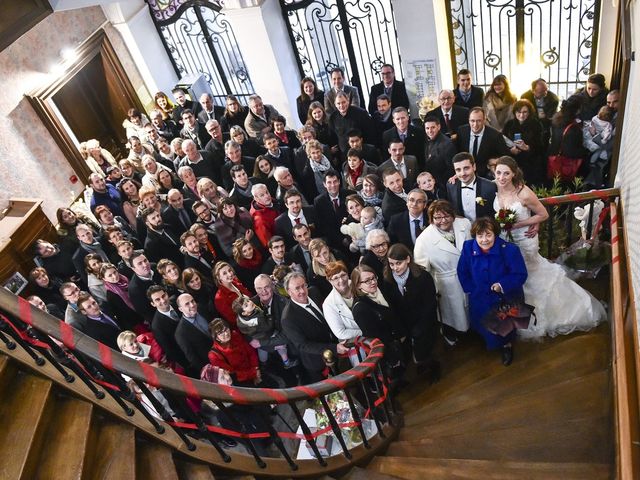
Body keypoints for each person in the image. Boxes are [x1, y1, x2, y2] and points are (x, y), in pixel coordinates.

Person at [493, 156, 606, 338]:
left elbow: (543, 214)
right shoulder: (495, 187)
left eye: (506, 173)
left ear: (514, 173)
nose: (502, 177)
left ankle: (544, 315)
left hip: (524, 239)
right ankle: (517, 313)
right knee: (513, 274)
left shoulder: (524, 193)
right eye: (498, 173)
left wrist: (520, 224)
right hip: (506, 240)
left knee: (530, 275)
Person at [457, 217, 528, 365]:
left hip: (505, 298)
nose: (484, 240)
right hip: (480, 297)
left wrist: (502, 285)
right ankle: (487, 340)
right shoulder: (468, 247)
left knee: (506, 328)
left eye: (488, 235)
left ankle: (507, 347)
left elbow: (520, 274)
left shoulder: (510, 250)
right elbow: (462, 271)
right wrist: (472, 289)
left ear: (495, 234)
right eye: (480, 235)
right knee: (482, 322)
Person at [414, 200, 472, 345]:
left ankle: (473, 330)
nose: (443, 221)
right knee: (452, 314)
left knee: (471, 309)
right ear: (431, 219)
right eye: (437, 218)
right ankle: (451, 333)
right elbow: (422, 270)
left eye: (446, 216)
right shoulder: (424, 240)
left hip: (470, 276)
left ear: (453, 215)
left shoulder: (464, 224)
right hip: (446, 282)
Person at [382, 244, 440, 381]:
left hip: (424, 323)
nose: (395, 268)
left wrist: (421, 327)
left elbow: (430, 305)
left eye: (398, 263)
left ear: (408, 259)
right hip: (405, 326)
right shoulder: (387, 281)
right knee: (412, 354)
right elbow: (392, 307)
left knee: (425, 352)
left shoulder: (423, 277)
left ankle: (434, 368)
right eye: (391, 264)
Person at [280, 272, 349, 382]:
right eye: (297, 288)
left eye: (303, 286)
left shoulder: (314, 292)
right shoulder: (288, 318)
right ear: (289, 292)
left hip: (339, 348)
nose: (302, 291)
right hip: (318, 362)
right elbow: (303, 345)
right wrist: (333, 348)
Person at [351, 264, 405, 379]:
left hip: (398, 341)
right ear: (358, 286)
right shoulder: (360, 308)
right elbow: (374, 336)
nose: (373, 282)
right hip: (387, 350)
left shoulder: (380, 291)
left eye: (373, 278)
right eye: (367, 281)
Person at [231, 295, 295, 368]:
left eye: (248, 301)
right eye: (246, 305)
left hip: (256, 338)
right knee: (281, 346)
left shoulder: (240, 320)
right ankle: (286, 363)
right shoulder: (258, 318)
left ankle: (263, 363)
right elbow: (268, 327)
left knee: (262, 350)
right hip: (267, 336)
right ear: (244, 313)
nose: (250, 303)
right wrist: (270, 317)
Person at [456, 107, 510, 177]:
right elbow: (458, 152)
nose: (475, 125)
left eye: (479, 121)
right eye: (472, 121)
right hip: (465, 172)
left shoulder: (495, 135)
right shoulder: (462, 131)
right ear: (468, 120)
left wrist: (494, 161)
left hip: (486, 173)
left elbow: (505, 156)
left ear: (484, 120)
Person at [502, 99, 545, 186]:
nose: (521, 115)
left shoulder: (536, 124)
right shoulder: (509, 124)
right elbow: (502, 142)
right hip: (514, 161)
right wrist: (510, 150)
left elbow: (542, 145)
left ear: (529, 113)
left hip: (531, 164)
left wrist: (527, 147)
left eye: (525, 112)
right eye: (519, 112)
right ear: (514, 112)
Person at [446, 152, 496, 223]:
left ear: (474, 167)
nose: (463, 173)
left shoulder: (490, 186)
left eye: (466, 168)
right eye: (458, 170)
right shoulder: (451, 185)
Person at [549, 95, 589, 180]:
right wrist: (586, 152)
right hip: (566, 165)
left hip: (554, 159)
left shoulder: (556, 120)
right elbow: (571, 151)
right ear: (578, 110)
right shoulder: (573, 128)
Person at [322, 261, 362, 342]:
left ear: (348, 274)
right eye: (336, 278)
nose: (341, 280)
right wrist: (365, 332)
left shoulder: (360, 285)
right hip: (355, 342)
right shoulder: (328, 304)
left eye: (343, 275)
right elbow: (340, 333)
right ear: (330, 281)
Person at [175, 292, 213, 375]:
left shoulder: (202, 308)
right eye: (187, 304)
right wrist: (208, 371)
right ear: (181, 309)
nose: (192, 305)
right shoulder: (181, 333)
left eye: (192, 301)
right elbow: (192, 357)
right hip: (212, 363)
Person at [213, 261, 253, 327]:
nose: (229, 274)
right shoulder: (219, 298)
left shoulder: (235, 281)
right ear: (218, 277)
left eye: (229, 270)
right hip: (246, 325)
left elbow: (250, 296)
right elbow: (233, 319)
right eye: (224, 273)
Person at [423, 115, 457, 187]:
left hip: (441, 184)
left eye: (433, 127)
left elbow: (450, 168)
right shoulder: (426, 139)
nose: (430, 131)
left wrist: (439, 184)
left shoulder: (447, 144)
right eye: (427, 128)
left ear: (438, 127)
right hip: (431, 182)